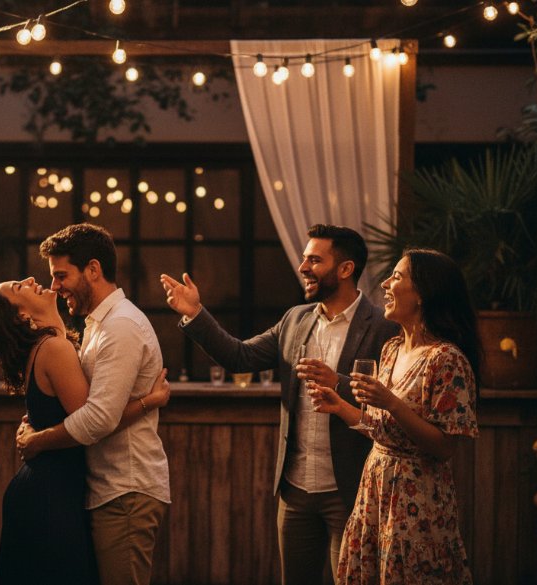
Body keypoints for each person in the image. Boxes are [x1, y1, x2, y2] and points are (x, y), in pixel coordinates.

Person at [160, 224, 400, 585]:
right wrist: (195, 313)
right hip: (295, 489)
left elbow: (391, 398)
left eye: (315, 260)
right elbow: (240, 357)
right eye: (304, 259)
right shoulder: (295, 319)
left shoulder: (383, 326)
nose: (303, 268)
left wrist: (339, 382)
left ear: (346, 269)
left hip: (352, 489)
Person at [0, 276, 170, 585]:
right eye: (18, 288)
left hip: (49, 487)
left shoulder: (54, 344)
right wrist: (150, 401)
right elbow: (95, 423)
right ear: (22, 317)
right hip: (50, 495)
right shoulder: (54, 347)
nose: (31, 279)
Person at [308, 248, 479, 584]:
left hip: (418, 501)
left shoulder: (446, 359)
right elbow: (381, 429)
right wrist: (338, 406)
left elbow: (445, 447)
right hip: (375, 490)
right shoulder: (391, 349)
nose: (384, 284)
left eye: (396, 277)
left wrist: (392, 403)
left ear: (423, 294)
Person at [16, 223, 171, 585]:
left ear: (94, 270)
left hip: (126, 492)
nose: (54, 286)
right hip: (106, 489)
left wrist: (37, 441)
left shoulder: (121, 327)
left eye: (61, 275)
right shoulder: (98, 325)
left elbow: (98, 420)